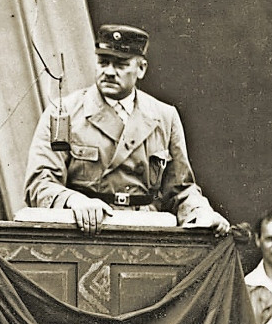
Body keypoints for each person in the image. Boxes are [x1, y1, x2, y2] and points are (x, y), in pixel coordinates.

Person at [24, 24, 230, 234]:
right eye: (103, 62)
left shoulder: (164, 116)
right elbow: (40, 183)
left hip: (144, 231)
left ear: (141, 69)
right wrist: (74, 200)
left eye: (121, 65)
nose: (109, 72)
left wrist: (201, 212)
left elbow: (180, 189)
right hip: (84, 230)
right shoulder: (64, 113)